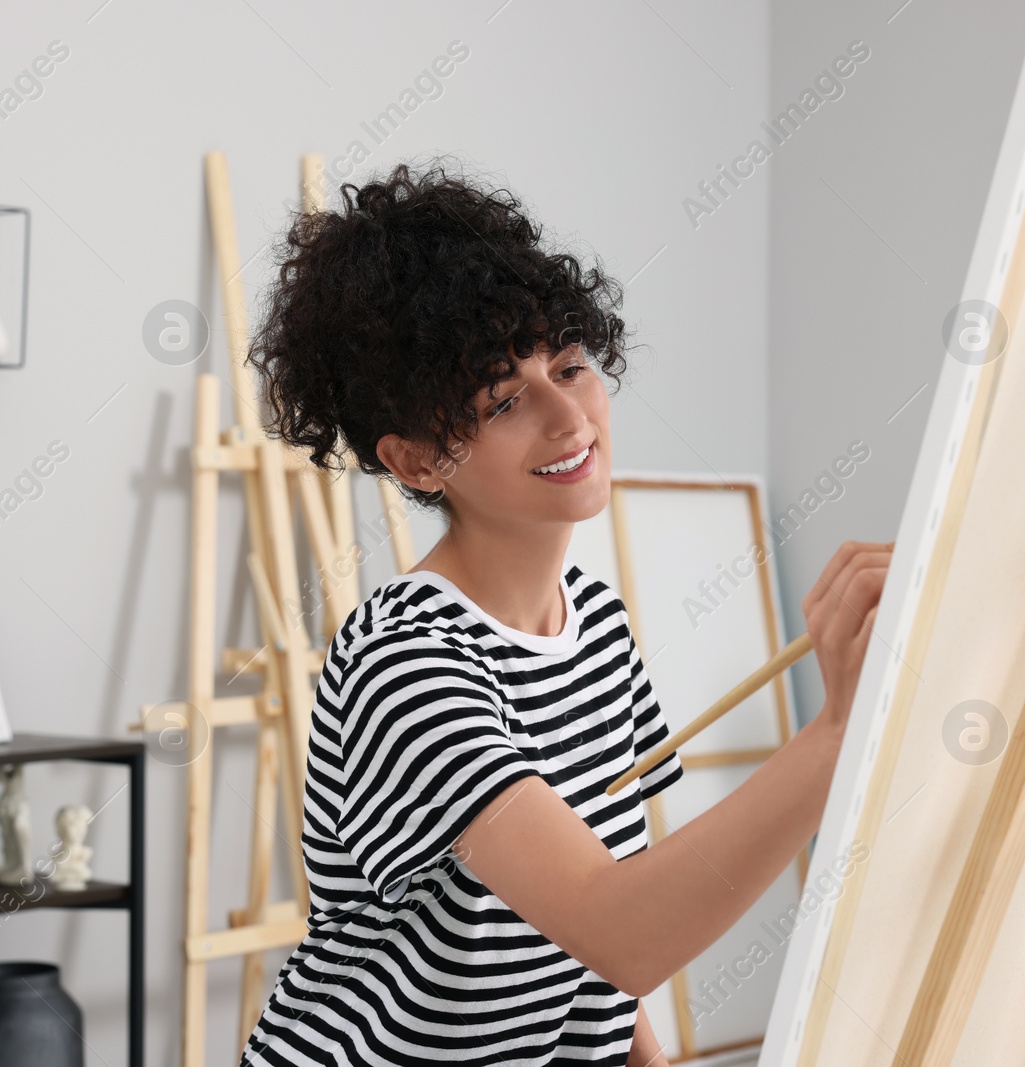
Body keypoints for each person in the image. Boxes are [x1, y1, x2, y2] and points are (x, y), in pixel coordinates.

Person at [237, 159, 890, 1066]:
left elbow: (602, 927)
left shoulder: (592, 619)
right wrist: (841, 732)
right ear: (419, 461)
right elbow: (616, 927)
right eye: (503, 400)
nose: (566, 415)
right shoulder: (407, 664)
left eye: (571, 365)